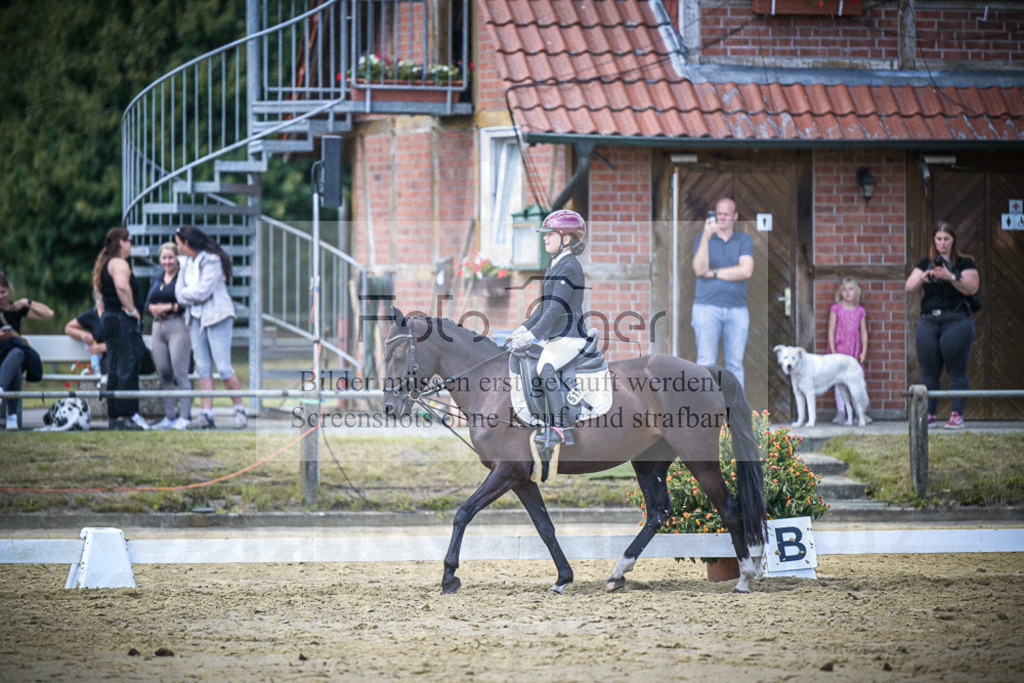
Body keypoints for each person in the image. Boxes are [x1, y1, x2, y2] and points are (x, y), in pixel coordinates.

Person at [506, 209, 588, 446]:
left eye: (550, 234)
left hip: (570, 336)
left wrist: (532, 336)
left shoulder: (570, 267)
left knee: (545, 366)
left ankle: (563, 428)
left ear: (567, 238)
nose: (545, 238)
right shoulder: (555, 264)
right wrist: (523, 329)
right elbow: (544, 307)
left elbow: (555, 311)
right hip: (557, 337)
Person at [905, 221, 979, 429]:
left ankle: (957, 415)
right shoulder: (926, 263)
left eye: (946, 239)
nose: (942, 243)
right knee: (929, 369)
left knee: (956, 368)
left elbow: (971, 287)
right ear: (934, 240)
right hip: (929, 320)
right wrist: (924, 277)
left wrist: (950, 277)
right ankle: (929, 414)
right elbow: (909, 286)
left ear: (953, 240)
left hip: (956, 319)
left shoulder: (964, 263)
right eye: (938, 239)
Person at [174, 225, 247, 429]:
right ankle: (207, 414)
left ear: (187, 243)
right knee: (203, 367)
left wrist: (185, 296)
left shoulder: (212, 260)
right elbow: (180, 291)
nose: (178, 248)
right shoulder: (186, 263)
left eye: (179, 243)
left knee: (223, 367)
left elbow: (201, 292)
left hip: (217, 316)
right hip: (196, 318)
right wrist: (187, 295)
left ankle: (240, 410)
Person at [691, 197, 754, 390]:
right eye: (719, 213)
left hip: (737, 310)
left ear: (735, 216)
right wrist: (706, 236)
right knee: (706, 361)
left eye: (726, 213)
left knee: (735, 365)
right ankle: (703, 414)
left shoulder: (744, 239)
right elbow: (700, 269)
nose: (722, 217)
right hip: (706, 307)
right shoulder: (703, 239)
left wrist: (716, 273)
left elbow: (746, 271)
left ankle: (735, 415)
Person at [93, 227, 150, 431]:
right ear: (121, 242)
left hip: (110, 317)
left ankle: (115, 416)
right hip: (120, 318)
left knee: (115, 367)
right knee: (126, 366)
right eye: (130, 241)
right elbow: (122, 287)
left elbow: (100, 293)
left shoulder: (104, 263)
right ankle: (126, 416)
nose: (131, 245)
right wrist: (132, 309)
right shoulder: (119, 263)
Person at [145, 242, 192, 430]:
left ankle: (185, 417)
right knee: (164, 372)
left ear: (177, 259)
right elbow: (148, 301)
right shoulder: (157, 279)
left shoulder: (183, 278)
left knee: (180, 373)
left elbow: (184, 302)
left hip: (177, 325)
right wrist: (153, 308)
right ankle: (170, 416)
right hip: (158, 326)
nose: (167, 261)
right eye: (164, 258)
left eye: (171, 257)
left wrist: (167, 307)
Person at [0, 272, 54, 430]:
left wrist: (26, 302)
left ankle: (1, 391)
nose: (1, 296)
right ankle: (12, 416)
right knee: (15, 365)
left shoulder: (16, 309)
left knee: (17, 352)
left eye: (3, 292)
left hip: (14, 354)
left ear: (9, 289)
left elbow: (49, 314)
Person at [827, 277, 869, 424]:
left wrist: (863, 352)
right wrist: (833, 351)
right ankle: (841, 411)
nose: (848, 293)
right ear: (840, 292)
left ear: (856, 292)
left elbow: (863, 332)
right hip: (840, 351)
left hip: (854, 352)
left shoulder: (860, 311)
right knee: (840, 382)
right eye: (844, 289)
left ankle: (860, 412)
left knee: (856, 382)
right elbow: (831, 330)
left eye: (851, 289)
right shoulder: (836, 308)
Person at [65, 297, 108, 377]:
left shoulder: (122, 314)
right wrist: (82, 334)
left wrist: (104, 347)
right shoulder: (92, 315)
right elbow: (68, 328)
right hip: (106, 364)